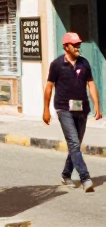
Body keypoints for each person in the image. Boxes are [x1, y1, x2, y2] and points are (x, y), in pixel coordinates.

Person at [43, 31, 103, 191]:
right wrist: (46, 110)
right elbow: (49, 87)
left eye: (79, 44)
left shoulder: (84, 63)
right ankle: (85, 178)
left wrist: (98, 106)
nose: (78, 47)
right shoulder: (56, 64)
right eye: (74, 44)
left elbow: (90, 83)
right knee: (74, 143)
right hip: (63, 108)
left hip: (82, 108)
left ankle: (65, 174)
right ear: (66, 46)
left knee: (75, 144)